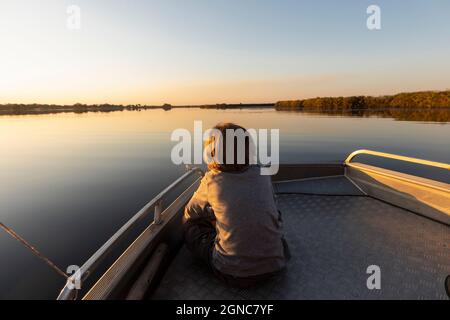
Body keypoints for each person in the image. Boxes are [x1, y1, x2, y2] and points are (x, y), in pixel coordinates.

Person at [183, 122, 289, 288]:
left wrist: (212, 218)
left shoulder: (212, 180)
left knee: (191, 225)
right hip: (276, 265)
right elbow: (274, 211)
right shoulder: (262, 173)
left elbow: (191, 211)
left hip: (231, 273)